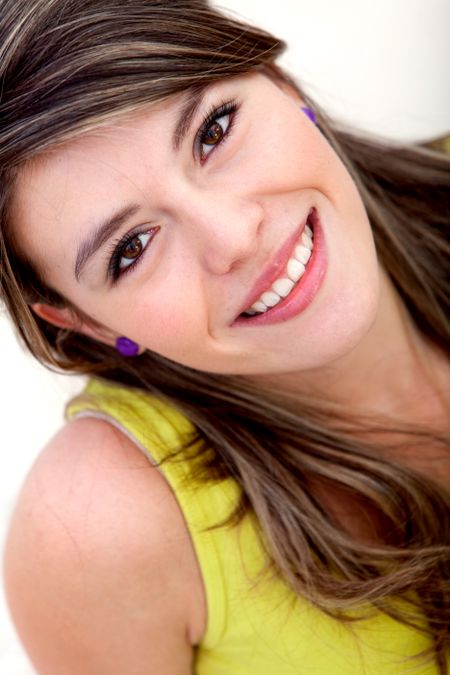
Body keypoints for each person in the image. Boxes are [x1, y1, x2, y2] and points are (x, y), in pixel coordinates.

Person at [1, 1, 449, 673]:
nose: (235, 237)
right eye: (132, 248)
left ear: (280, 83)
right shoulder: (102, 525)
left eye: (213, 132)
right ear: (87, 323)